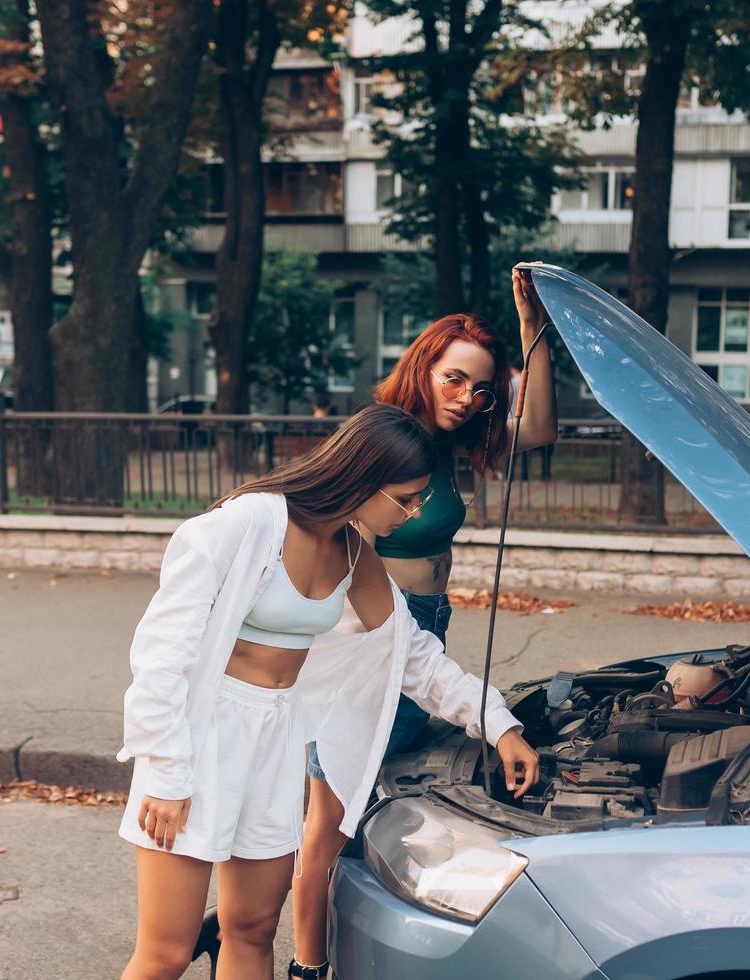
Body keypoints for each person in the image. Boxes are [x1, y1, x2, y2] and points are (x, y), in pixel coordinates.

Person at [117, 404, 539, 980]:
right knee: (166, 953)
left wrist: (497, 722)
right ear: (363, 477)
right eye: (406, 498)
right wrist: (166, 771)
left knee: (253, 929)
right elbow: (161, 653)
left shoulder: (353, 552)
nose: (416, 512)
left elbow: (410, 653)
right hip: (200, 736)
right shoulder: (246, 525)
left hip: (275, 737)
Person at [289, 266, 557, 978]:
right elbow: (342, 562)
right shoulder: (386, 442)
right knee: (329, 818)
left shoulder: (443, 444)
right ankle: (307, 965)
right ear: (422, 367)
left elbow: (537, 426)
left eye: (480, 388)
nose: (467, 398)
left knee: (376, 797)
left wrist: (532, 330)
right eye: (453, 380)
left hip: (421, 628)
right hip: (372, 635)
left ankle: (351, 944)